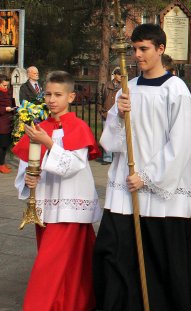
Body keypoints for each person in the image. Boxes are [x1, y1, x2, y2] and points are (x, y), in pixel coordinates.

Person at [93, 24, 191, 311]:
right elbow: (113, 143)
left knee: (158, 263)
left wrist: (147, 176)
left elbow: (183, 142)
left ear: (160, 49)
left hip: (158, 194)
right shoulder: (127, 91)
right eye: (135, 49)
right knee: (114, 254)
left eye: (144, 49)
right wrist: (118, 114)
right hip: (125, 191)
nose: (137, 55)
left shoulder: (175, 89)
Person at [13, 70, 102, 310]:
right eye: (49, 94)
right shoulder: (39, 127)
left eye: (58, 94)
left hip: (70, 207)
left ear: (71, 97)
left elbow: (74, 165)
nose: (52, 99)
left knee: (51, 263)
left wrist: (49, 143)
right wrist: (28, 180)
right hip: (45, 205)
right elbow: (27, 164)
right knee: (61, 262)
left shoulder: (79, 127)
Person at [99, 67, 122, 165]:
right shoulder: (107, 85)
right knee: (107, 135)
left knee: (118, 136)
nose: (121, 77)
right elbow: (101, 98)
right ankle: (107, 157)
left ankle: (117, 158)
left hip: (118, 113)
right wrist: (101, 110)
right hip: (107, 113)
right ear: (115, 75)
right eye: (119, 75)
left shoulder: (123, 86)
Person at [0, 74, 14, 174]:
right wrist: (5, 109)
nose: (6, 87)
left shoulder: (8, 92)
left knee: (5, 145)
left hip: (8, 122)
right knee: (1, 145)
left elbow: (11, 103)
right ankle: (1, 165)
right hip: (1, 124)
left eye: (7, 85)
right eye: (4, 85)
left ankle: (2, 163)